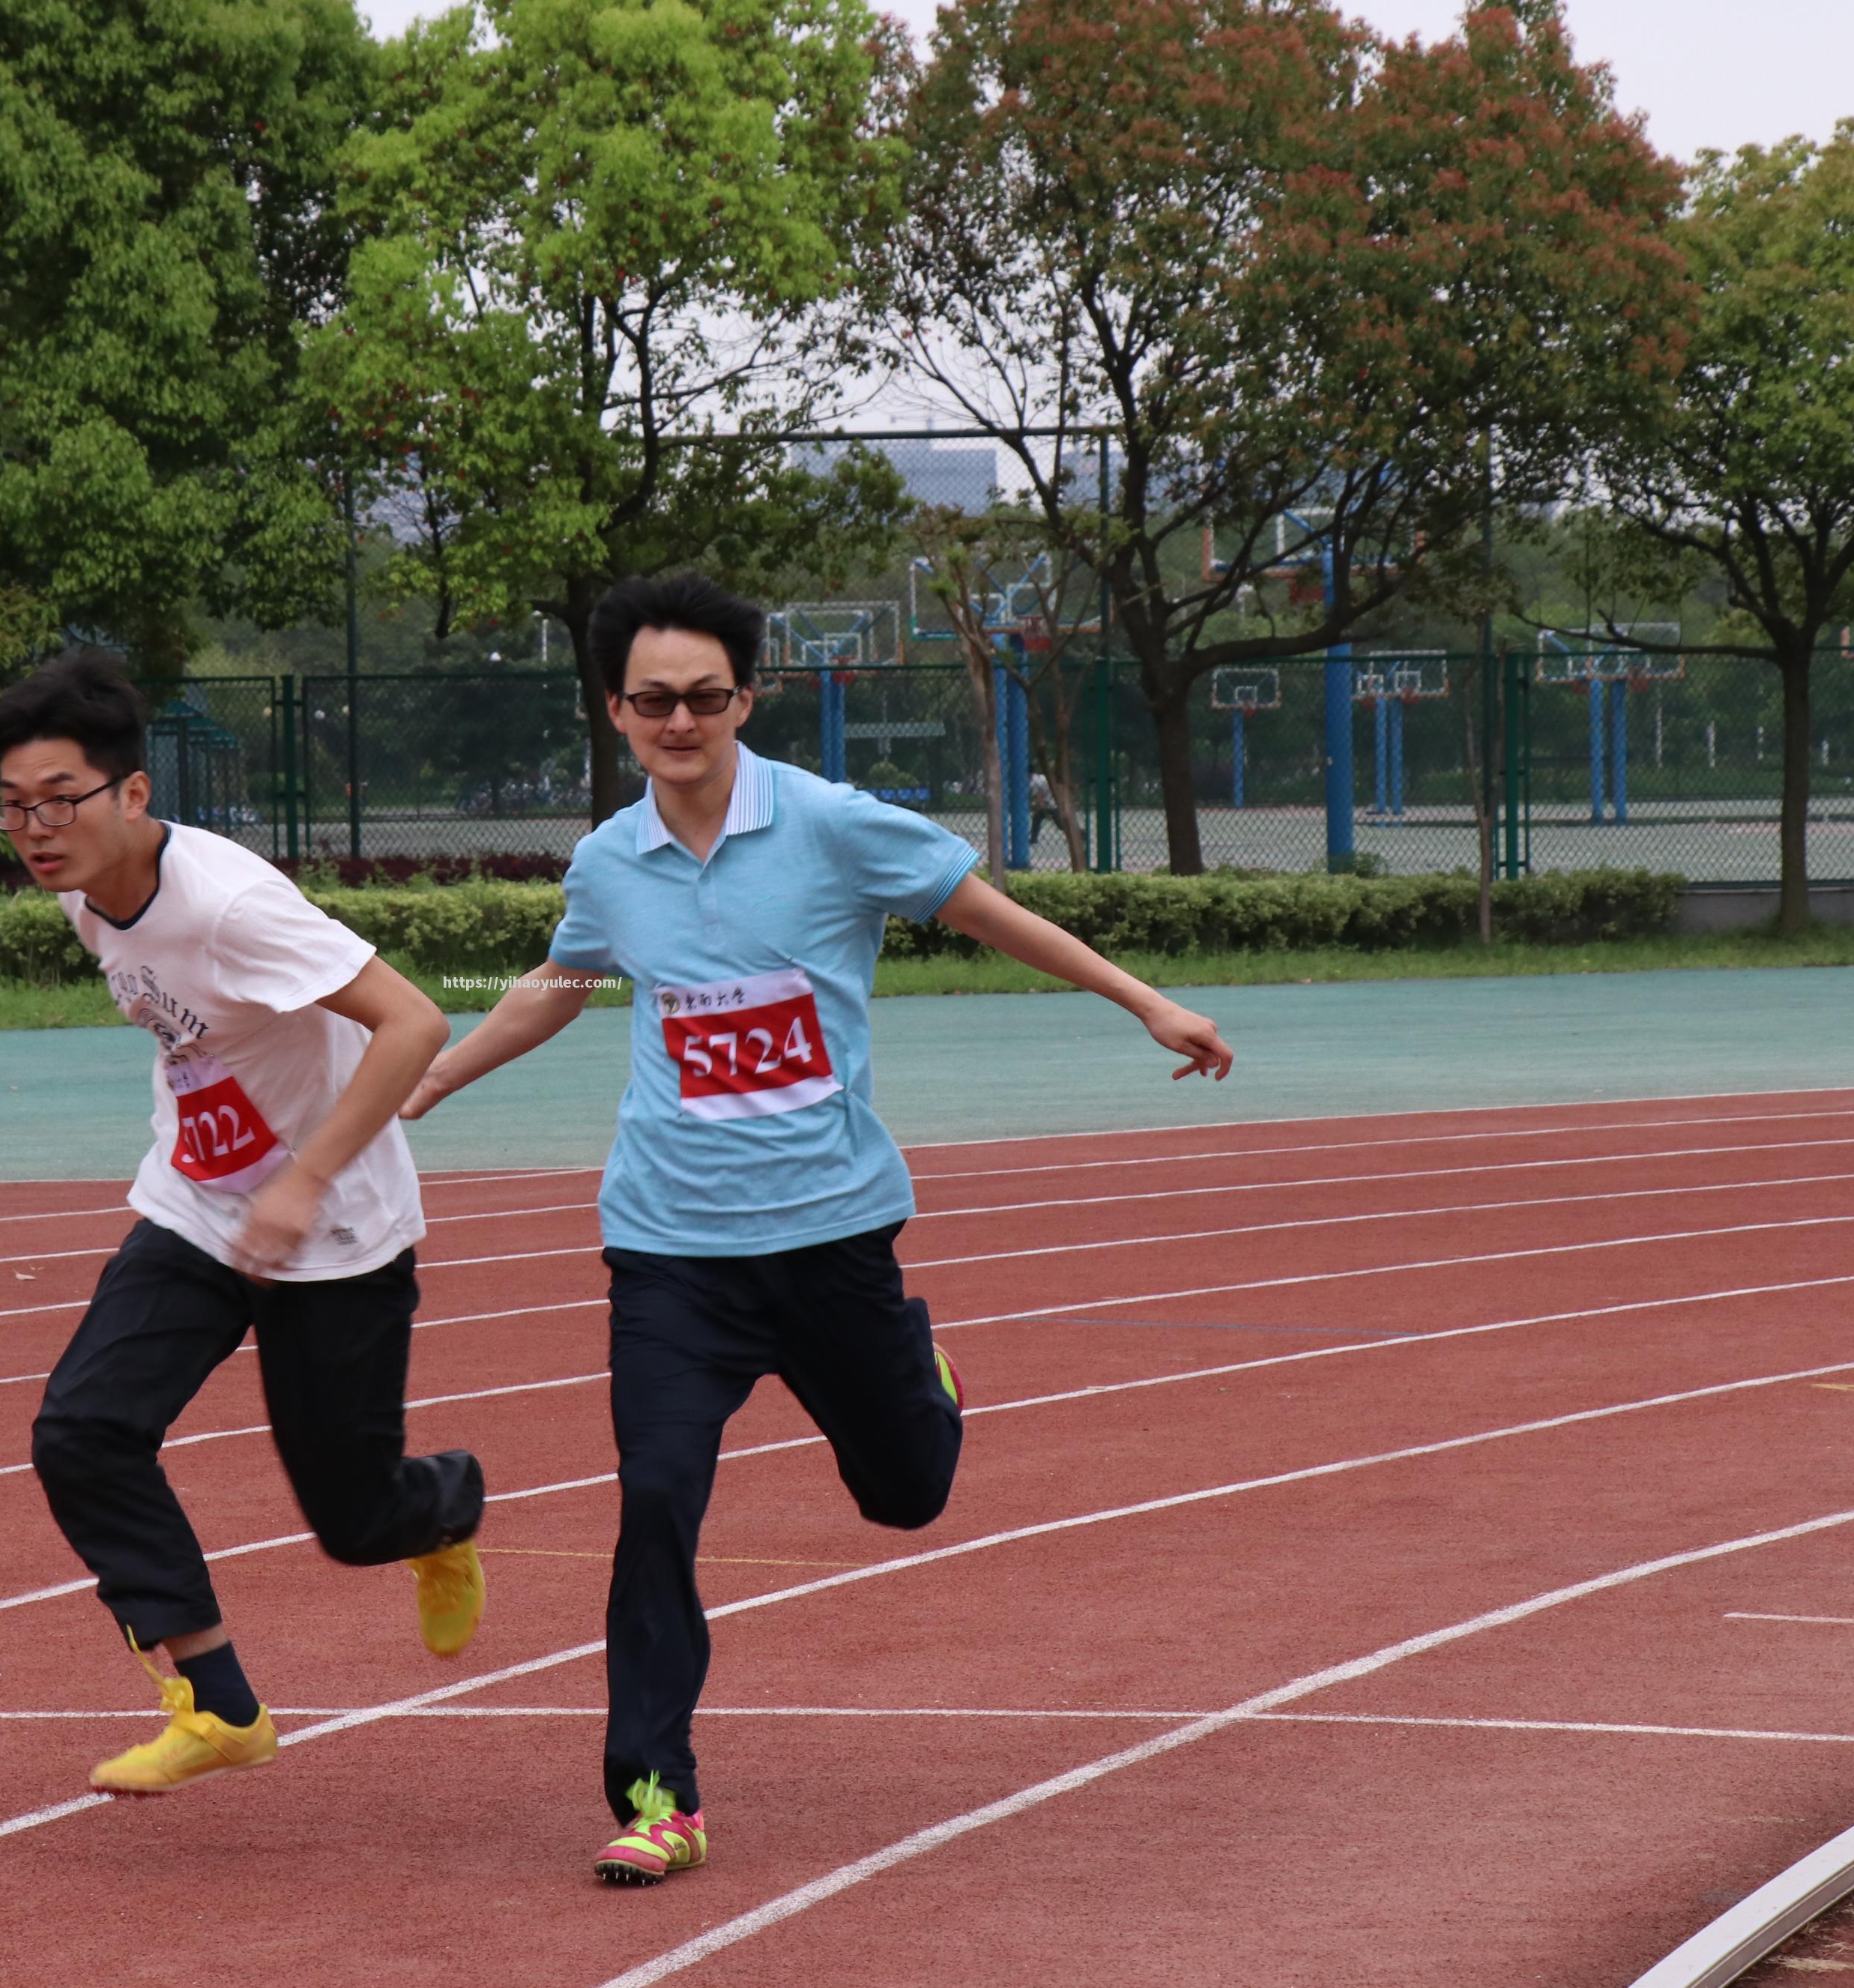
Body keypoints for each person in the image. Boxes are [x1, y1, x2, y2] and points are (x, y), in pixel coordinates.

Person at [402, 572, 1232, 1885]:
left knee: (906, 1496)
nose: (683, 721)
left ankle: (918, 1369)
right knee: (658, 1500)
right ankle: (656, 1795)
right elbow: (563, 979)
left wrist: (1146, 1003)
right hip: (669, 1249)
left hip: (832, 1237)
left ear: (746, 698)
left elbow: (985, 912)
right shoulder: (612, 861)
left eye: (708, 697)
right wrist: (432, 1077)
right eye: (656, 701)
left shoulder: (835, 825)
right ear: (617, 710)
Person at [0, 647, 486, 1797]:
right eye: (14, 806)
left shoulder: (231, 906)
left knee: (354, 1523)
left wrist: (304, 1179)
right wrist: (232, 1174)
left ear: (132, 794)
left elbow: (413, 1022)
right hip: (198, 1210)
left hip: (337, 1231)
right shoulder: (85, 901)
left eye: (60, 800)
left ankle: (444, 1508)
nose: (35, 827)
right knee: (82, 1432)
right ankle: (218, 1706)